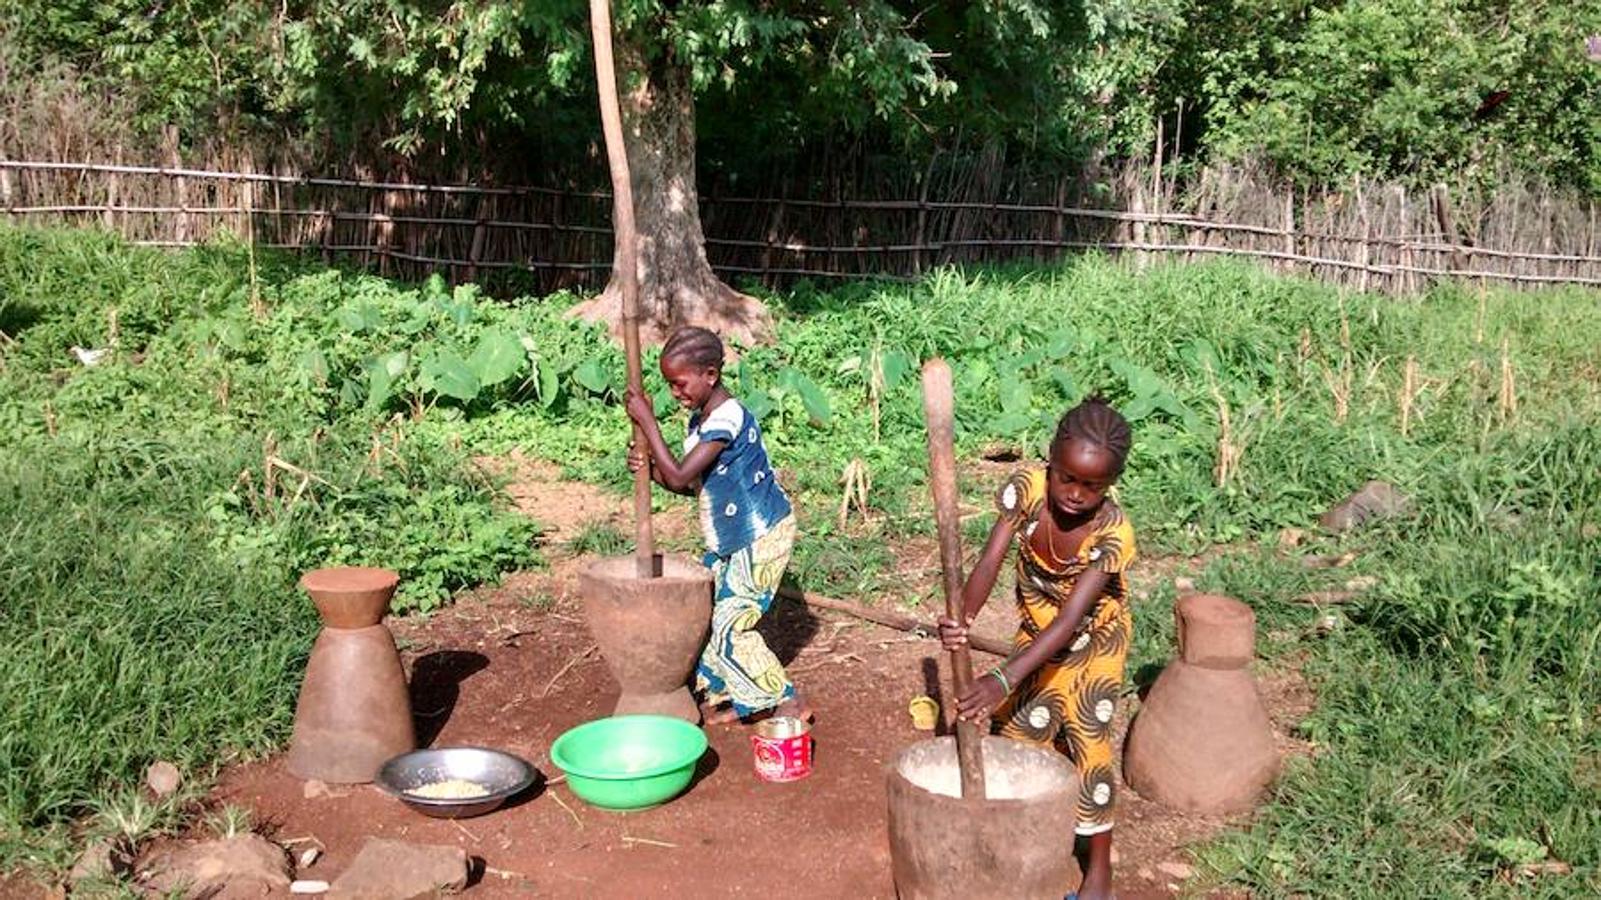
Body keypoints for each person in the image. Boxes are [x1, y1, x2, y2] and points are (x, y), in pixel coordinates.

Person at [938, 398, 1136, 900]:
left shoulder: (1112, 534)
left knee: (1087, 741)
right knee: (1021, 728)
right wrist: (964, 617)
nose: (1075, 494)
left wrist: (1000, 677)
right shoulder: (1025, 490)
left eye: (1093, 487)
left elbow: (1072, 622)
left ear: (1110, 484)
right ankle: (1030, 836)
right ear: (1050, 459)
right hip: (1037, 631)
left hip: (1092, 643)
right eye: (1067, 478)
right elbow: (989, 561)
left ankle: (1099, 876)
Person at [624, 326, 810, 724]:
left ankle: (785, 700)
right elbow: (690, 484)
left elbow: (678, 477)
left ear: (710, 375)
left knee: (732, 625)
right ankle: (735, 693)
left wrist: (649, 424)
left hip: (759, 535)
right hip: (730, 535)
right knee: (707, 613)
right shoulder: (701, 421)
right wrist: (651, 470)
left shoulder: (727, 419)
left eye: (680, 383)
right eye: (669, 385)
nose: (675, 392)